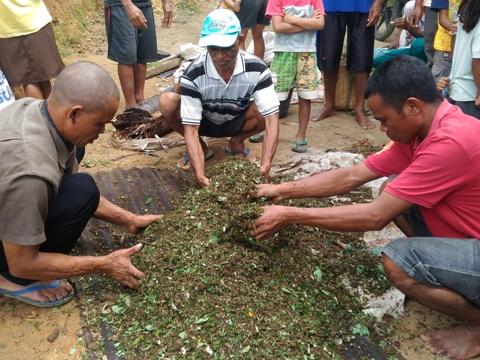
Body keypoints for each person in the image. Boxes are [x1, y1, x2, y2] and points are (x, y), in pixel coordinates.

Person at [252, 56, 480, 360]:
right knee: (393, 188)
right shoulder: (421, 132)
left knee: (398, 261)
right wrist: (281, 190)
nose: (382, 129)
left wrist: (291, 215)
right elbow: (353, 175)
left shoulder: (450, 142)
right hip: (468, 232)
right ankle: (443, 270)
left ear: (413, 106)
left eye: (384, 119)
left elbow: (375, 216)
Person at [0, 62, 161, 308]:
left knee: (79, 163)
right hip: (16, 253)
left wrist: (129, 220)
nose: (102, 133)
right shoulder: (31, 173)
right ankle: (13, 281)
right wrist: (104, 264)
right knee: (82, 190)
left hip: (13, 189)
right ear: (74, 113)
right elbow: (22, 261)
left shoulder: (37, 109)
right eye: (99, 124)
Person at [159, 9, 280, 187]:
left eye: (226, 48)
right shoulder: (193, 73)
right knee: (167, 102)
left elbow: (272, 120)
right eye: (213, 49)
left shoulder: (257, 69)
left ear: (240, 40)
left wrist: (266, 165)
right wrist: (200, 175)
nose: (220, 56)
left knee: (268, 108)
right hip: (204, 122)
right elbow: (191, 129)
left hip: (236, 120)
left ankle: (236, 142)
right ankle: (202, 148)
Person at [261, 0, 325, 153]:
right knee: (274, 97)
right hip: (283, 52)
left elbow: (320, 24)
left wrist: (291, 19)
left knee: (305, 96)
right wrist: (308, 23)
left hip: (307, 53)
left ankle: (300, 135)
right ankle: (267, 131)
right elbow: (278, 27)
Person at [311, 0, 383, 129]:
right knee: (328, 54)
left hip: (364, 5)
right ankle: (329, 105)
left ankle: (359, 109)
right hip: (330, 5)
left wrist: (378, 3)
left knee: (363, 57)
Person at [104, 0, 173, 109]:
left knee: (143, 53)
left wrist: (166, 1)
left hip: (144, 3)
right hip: (120, 5)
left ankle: (139, 99)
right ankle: (131, 106)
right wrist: (128, 4)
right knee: (126, 55)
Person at [0, 0, 64, 99]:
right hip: (35, 21)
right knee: (43, 78)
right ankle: (50, 112)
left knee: (28, 81)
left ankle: (37, 113)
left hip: (7, 31)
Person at [446, 0, 480, 119]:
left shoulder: (468, 13)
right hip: (471, 95)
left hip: (457, 90)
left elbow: (454, 46)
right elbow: (477, 62)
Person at [373, 0, 426, 68]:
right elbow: (403, 21)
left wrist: (408, 27)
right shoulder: (410, 6)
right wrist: (396, 40)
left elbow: (428, 41)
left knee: (419, 45)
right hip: (403, 47)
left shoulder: (437, 13)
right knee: (368, 57)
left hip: (415, 50)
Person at [411, 0, 439, 67]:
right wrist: (418, 5)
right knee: (430, 43)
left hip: (460, 5)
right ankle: (431, 70)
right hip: (432, 5)